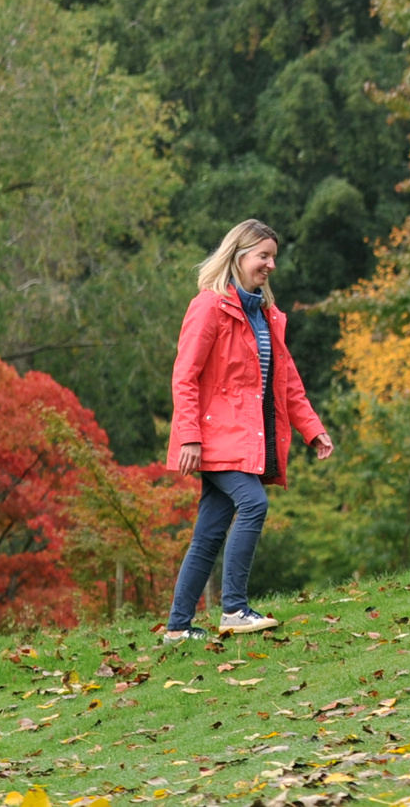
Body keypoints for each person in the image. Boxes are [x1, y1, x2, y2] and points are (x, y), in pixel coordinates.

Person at [163, 219, 333, 640]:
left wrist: (313, 429)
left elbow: (286, 381)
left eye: (273, 256)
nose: (271, 264)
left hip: (246, 439)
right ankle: (234, 609)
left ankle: (178, 629)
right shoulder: (208, 306)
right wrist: (188, 436)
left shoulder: (266, 315)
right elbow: (184, 375)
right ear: (238, 257)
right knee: (253, 504)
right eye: (263, 256)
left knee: (209, 533)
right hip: (216, 438)